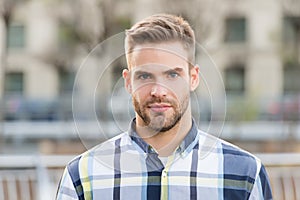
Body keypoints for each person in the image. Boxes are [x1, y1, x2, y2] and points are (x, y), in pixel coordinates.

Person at [56, 14, 272, 200]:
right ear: (128, 81)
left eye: (172, 74)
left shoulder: (246, 175)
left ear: (194, 78)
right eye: (144, 75)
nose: (158, 90)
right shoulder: (83, 176)